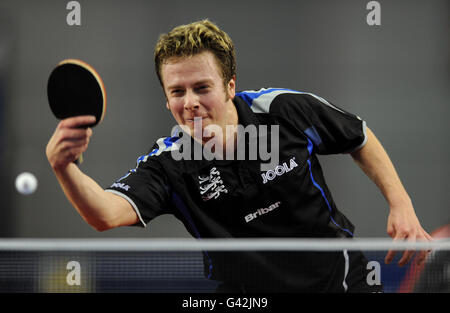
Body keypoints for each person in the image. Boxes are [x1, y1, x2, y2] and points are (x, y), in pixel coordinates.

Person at [46, 19, 432, 292]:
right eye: (178, 92)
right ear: (166, 100)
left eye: (202, 87)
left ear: (230, 86)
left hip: (341, 282)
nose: (191, 103)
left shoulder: (281, 110)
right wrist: (64, 167)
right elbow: (104, 213)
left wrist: (400, 204)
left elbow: (357, 135)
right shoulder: (169, 163)